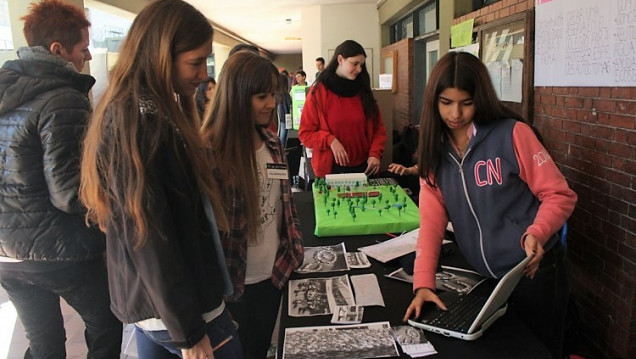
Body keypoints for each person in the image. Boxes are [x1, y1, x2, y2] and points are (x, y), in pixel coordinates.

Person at [79, 1, 242, 358]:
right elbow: (149, 234)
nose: (203, 74)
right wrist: (188, 331)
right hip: (179, 311)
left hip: (158, 307)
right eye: (195, 62)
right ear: (161, 55)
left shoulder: (140, 110)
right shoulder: (138, 121)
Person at [402, 52, 577, 358]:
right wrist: (423, 283)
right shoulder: (433, 150)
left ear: (479, 98)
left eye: (466, 102)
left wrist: (538, 230)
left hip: (533, 272)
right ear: (433, 101)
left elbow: (559, 194)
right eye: (446, 102)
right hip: (487, 280)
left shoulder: (512, 133)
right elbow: (431, 224)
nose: (456, 113)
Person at [0, 1, 123, 358]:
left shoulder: (7, 92)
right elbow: (70, 193)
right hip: (60, 251)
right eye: (83, 49)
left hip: (7, 251)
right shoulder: (64, 99)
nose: (87, 57)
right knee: (106, 327)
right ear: (57, 51)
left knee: (43, 344)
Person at [201, 51, 304, 359]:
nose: (271, 104)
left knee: (258, 349)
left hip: (272, 276)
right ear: (237, 95)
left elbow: (286, 207)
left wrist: (294, 249)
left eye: (272, 94)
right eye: (261, 96)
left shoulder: (273, 143)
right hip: (230, 287)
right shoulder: (209, 152)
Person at [298, 40, 386, 178]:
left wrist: (375, 154)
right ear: (340, 59)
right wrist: (330, 140)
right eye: (355, 63)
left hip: (365, 168)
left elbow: (378, 129)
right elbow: (305, 134)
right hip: (331, 169)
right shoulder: (318, 93)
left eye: (361, 65)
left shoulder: (363, 91)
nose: (359, 70)